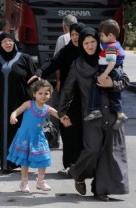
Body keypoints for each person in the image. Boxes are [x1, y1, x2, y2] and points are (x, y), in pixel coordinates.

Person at [58, 27, 129, 201]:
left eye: (93, 42)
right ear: (81, 45)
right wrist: (62, 112)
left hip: (112, 113)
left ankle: (100, 190)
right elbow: (67, 90)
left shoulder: (108, 57)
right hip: (91, 115)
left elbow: (124, 80)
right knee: (93, 149)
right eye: (86, 42)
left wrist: (111, 83)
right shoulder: (77, 64)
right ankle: (77, 173)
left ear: (98, 42)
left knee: (110, 153)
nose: (90, 46)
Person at [31, 23, 86, 176]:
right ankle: (69, 165)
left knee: (83, 133)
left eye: (78, 34)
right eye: (73, 34)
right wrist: (40, 72)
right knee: (67, 130)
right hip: (68, 97)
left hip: (86, 98)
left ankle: (83, 166)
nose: (75, 37)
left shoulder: (89, 51)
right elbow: (53, 62)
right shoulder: (66, 51)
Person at [0, 32, 41, 173]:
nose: (7, 44)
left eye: (10, 41)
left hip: (20, 104)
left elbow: (35, 78)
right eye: (4, 41)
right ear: (0, 44)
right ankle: (5, 164)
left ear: (14, 42)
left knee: (20, 132)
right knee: (4, 132)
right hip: (1, 104)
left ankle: (21, 163)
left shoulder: (24, 58)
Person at [7, 79, 71, 192]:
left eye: (46, 93)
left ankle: (40, 182)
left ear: (50, 95)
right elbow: (16, 112)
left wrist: (64, 119)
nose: (43, 96)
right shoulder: (28, 104)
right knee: (24, 160)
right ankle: (24, 183)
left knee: (44, 158)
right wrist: (13, 116)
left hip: (39, 137)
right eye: (40, 93)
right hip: (25, 137)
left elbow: (59, 115)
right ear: (34, 94)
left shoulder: (48, 108)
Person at [84, 19, 128, 130]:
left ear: (111, 35)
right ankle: (120, 114)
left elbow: (112, 62)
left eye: (102, 36)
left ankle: (95, 110)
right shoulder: (114, 44)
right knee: (114, 95)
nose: (101, 38)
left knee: (96, 85)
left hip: (110, 70)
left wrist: (104, 74)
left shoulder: (111, 47)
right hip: (113, 70)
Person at [48, 14, 77, 148]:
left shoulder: (63, 38)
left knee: (57, 108)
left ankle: (54, 140)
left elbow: (57, 62)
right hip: (79, 81)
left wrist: (58, 81)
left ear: (64, 27)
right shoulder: (85, 38)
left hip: (65, 81)